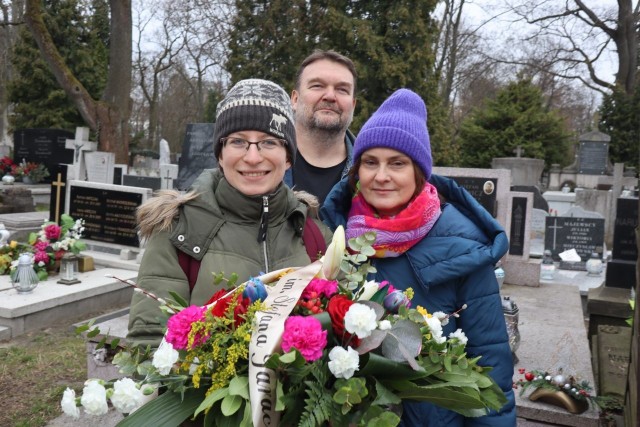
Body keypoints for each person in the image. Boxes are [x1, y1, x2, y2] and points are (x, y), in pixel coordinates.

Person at [321, 89, 516, 426]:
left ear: (418, 173)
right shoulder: (332, 234)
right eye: (370, 162)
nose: (381, 176)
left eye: (397, 163)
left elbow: (490, 368)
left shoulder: (463, 247)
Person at [127, 78, 332, 348]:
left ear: (288, 156)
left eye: (269, 142)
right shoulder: (178, 231)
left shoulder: (314, 233)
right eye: (238, 141)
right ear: (220, 155)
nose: (253, 157)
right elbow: (148, 345)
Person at [285, 50, 357, 206]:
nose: (330, 96)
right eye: (317, 86)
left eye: (342, 89)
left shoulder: (370, 174)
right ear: (295, 99)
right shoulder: (259, 164)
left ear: (353, 105)